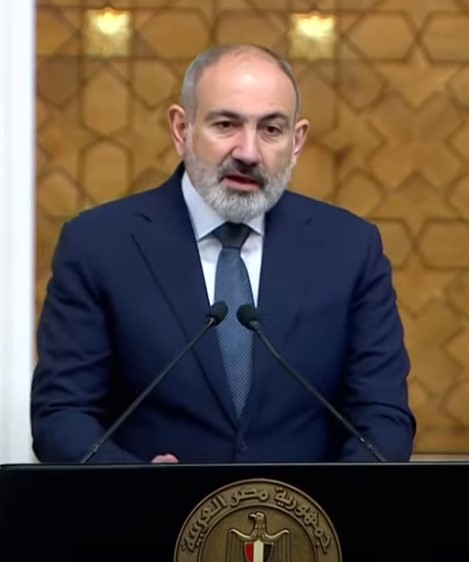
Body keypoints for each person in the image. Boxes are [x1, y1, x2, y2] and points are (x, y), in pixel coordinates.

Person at [30, 43, 416, 464]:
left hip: (306, 508)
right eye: (227, 125)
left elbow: (383, 418)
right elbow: (61, 415)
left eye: (271, 130)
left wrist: (332, 497)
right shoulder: (99, 244)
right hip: (152, 507)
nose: (248, 152)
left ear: (297, 141)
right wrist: (134, 483)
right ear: (182, 129)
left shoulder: (349, 248)